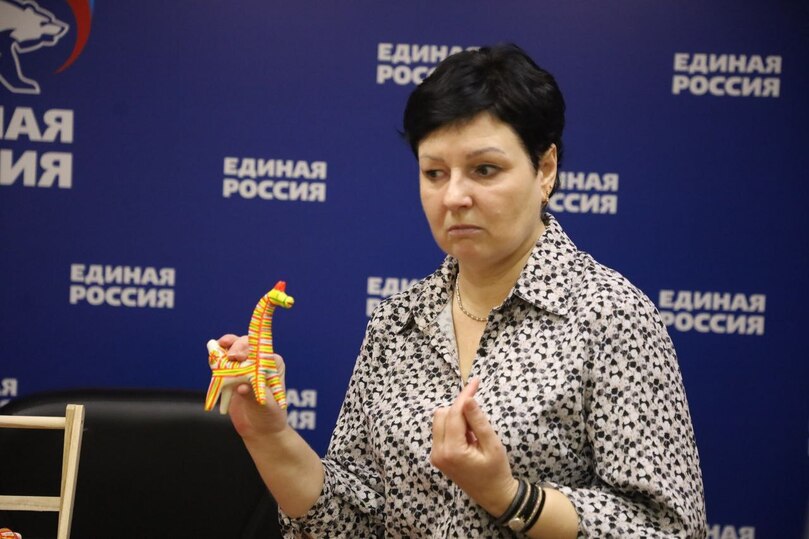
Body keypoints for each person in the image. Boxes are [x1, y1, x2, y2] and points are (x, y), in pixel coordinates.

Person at [218, 43, 707, 538]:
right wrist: (270, 435)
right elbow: (352, 523)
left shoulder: (610, 315)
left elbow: (668, 529)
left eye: (484, 170)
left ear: (545, 169)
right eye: (434, 173)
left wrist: (509, 496)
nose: (453, 196)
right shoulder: (397, 322)